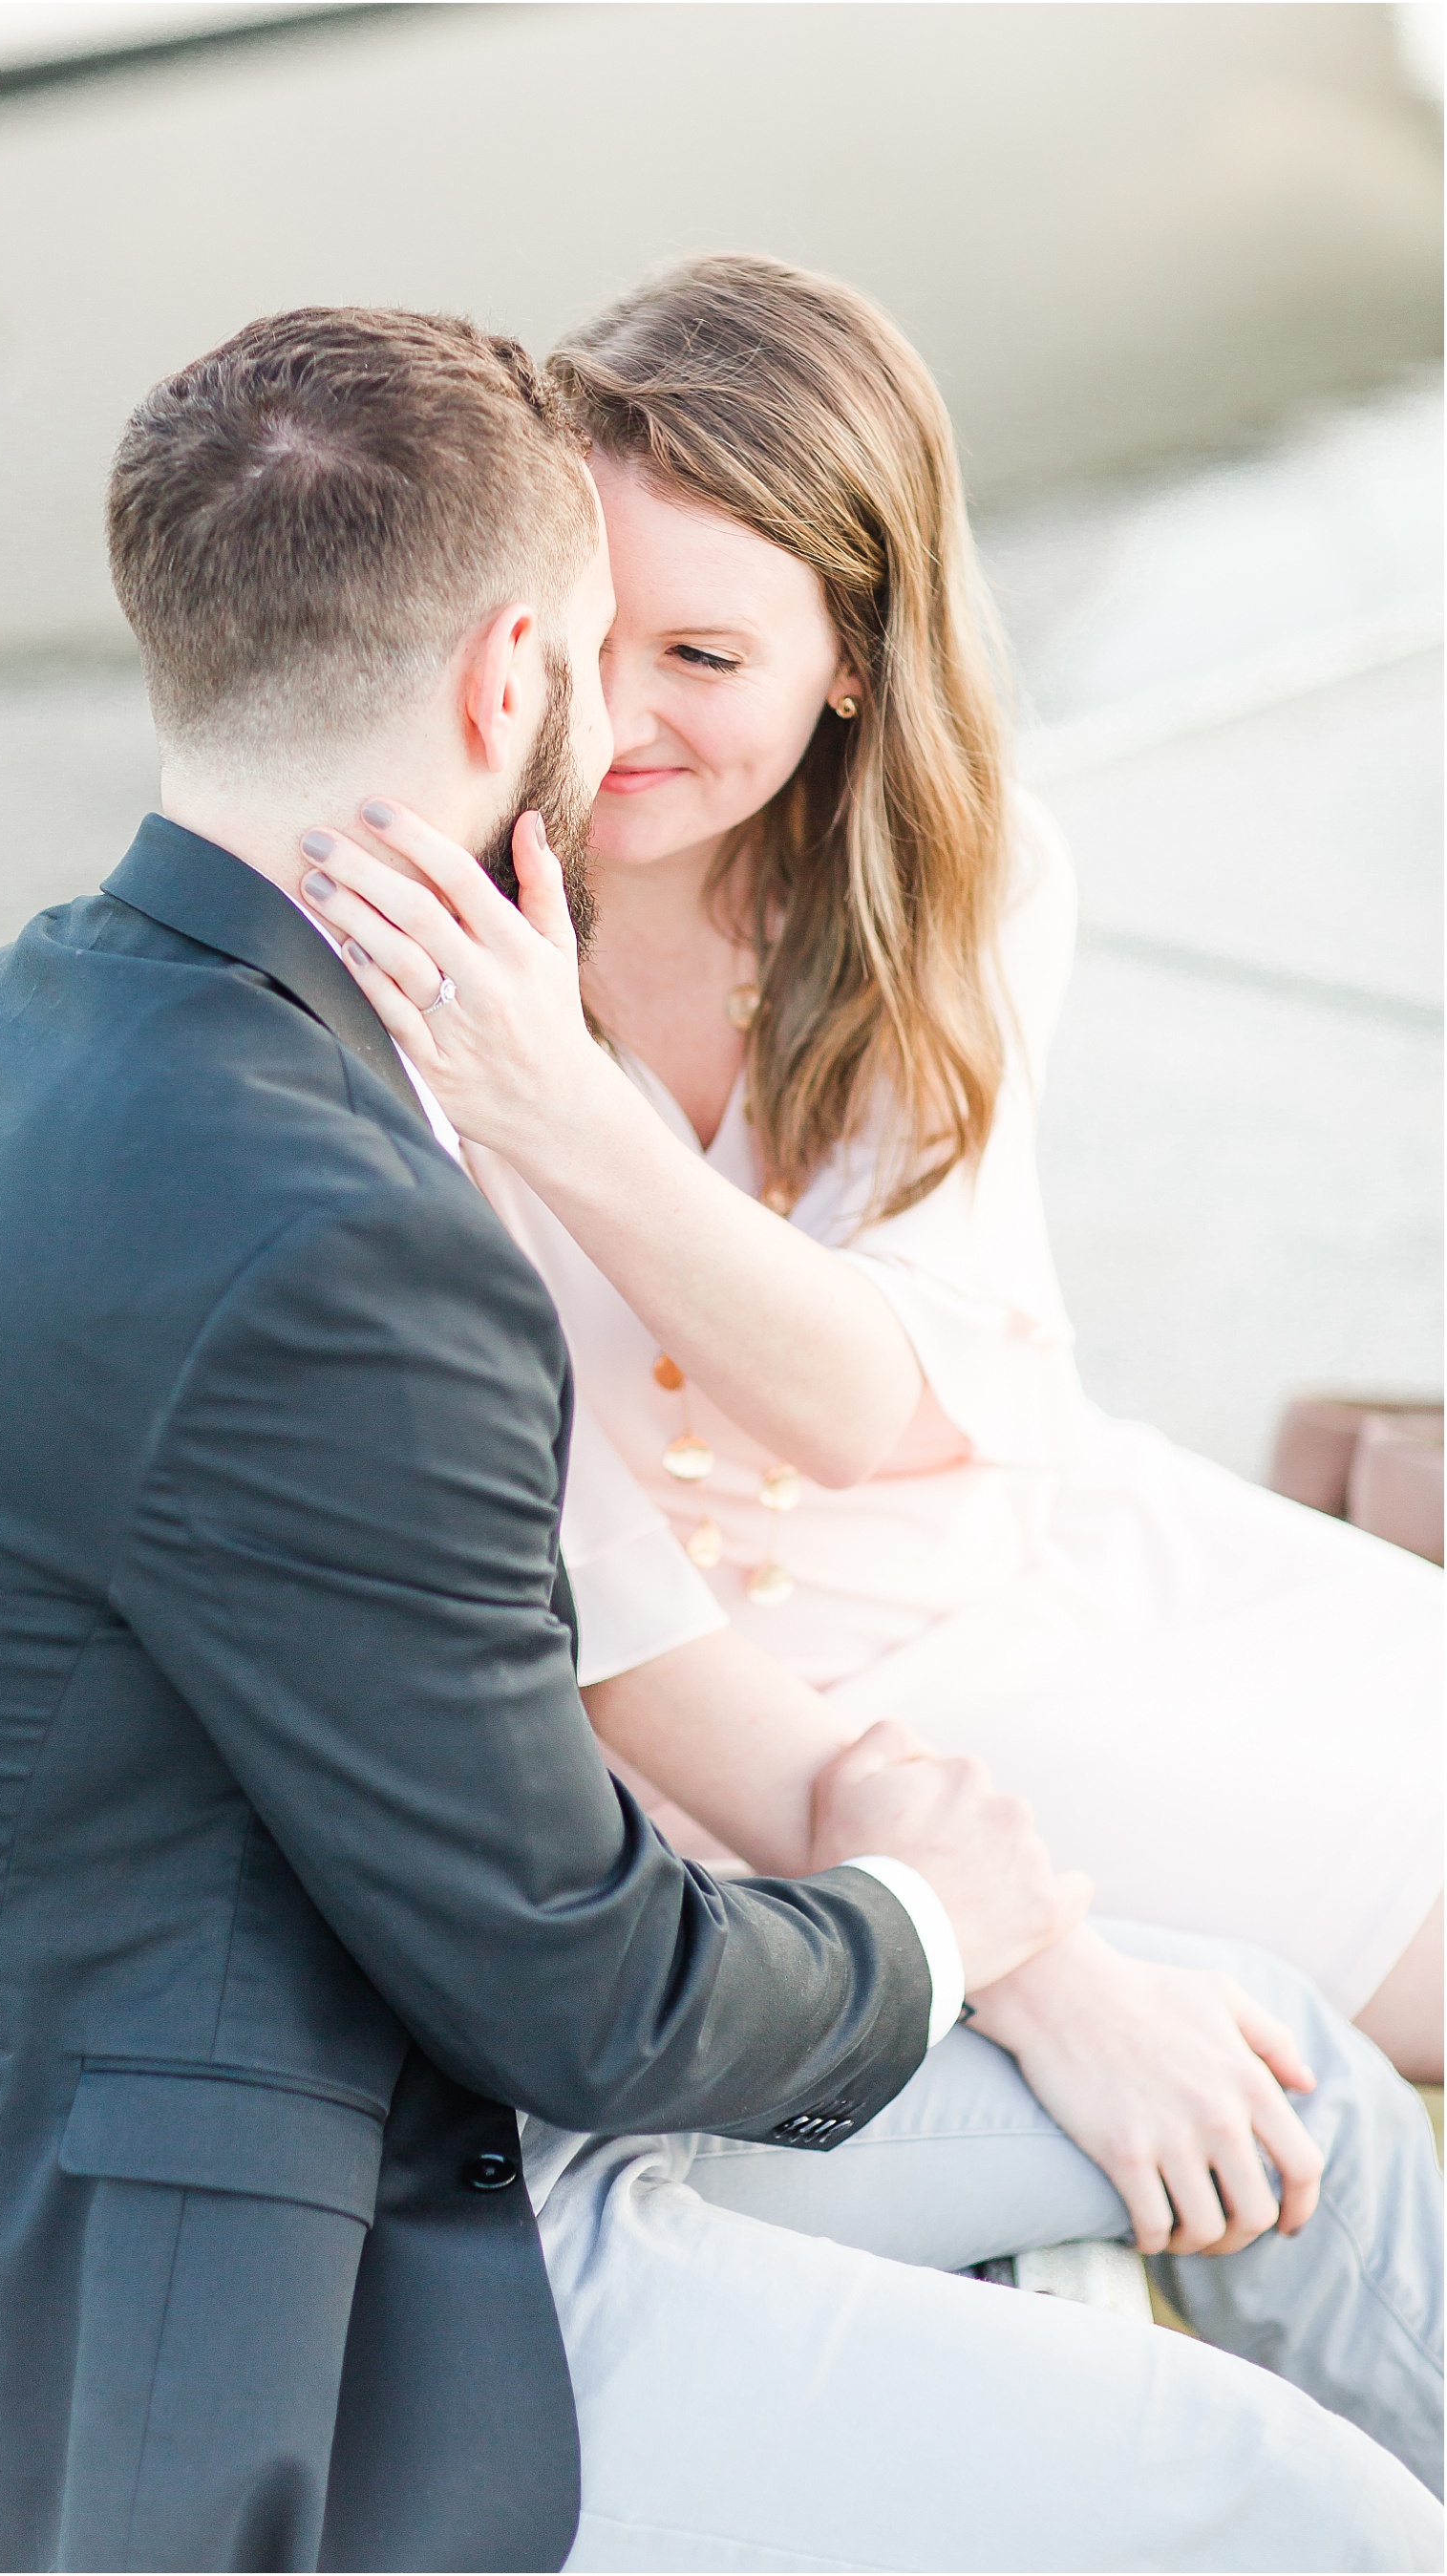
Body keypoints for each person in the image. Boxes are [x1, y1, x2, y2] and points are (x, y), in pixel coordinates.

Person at [0, 304, 1438, 2576]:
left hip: (392, 2085)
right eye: (597, 656)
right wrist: (948, 1910)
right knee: (1288, 2504)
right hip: (318, 2294)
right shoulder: (345, 1217)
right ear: (503, 677)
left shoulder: (5, 1037)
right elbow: (592, 1984)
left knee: (1278, 2056)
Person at [297, 251, 1443, 2085]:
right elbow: (568, 1555)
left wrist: (558, 1110)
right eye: (583, 637)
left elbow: (872, 1409)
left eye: (705, 656)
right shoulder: (411, 930)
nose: (621, 717)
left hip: (1029, 1536)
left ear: (850, 664)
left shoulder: (962, 884)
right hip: (741, 1708)